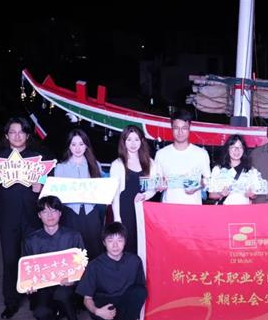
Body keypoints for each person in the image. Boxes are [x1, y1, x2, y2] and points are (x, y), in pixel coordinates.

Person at [0, 117, 42, 319]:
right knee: (10, 260)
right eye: (12, 132)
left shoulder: (37, 159)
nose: (17, 135)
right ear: (7, 136)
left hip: (33, 217)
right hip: (8, 219)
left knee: (33, 259)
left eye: (21, 132)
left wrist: (40, 188)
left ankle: (36, 299)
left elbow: (47, 188)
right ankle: (11, 302)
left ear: (27, 135)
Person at [23, 196, 85, 320]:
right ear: (39, 215)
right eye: (45, 212)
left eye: (54, 211)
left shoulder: (73, 236)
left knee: (62, 294)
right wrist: (28, 284)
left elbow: (82, 264)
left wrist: (73, 279)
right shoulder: (31, 240)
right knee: (40, 313)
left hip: (67, 285)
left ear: (60, 213)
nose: (50, 215)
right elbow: (26, 269)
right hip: (44, 286)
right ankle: (54, 316)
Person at [76, 222, 148, 320]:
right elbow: (87, 299)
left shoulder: (134, 261)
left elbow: (139, 290)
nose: (115, 245)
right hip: (103, 304)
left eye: (119, 240)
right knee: (103, 301)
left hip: (124, 305)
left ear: (125, 242)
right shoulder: (95, 265)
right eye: (110, 241)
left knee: (140, 291)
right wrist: (97, 311)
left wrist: (136, 317)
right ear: (104, 243)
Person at [54, 129, 104, 259]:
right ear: (69, 146)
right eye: (74, 144)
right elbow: (57, 195)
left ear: (86, 145)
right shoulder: (61, 168)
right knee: (72, 253)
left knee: (94, 250)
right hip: (70, 213)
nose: (77, 148)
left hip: (91, 213)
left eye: (81, 144)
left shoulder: (95, 165)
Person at [110, 125, 159, 254]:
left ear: (142, 141)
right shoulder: (117, 164)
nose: (133, 144)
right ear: (124, 141)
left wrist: (145, 196)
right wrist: (117, 219)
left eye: (136, 139)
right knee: (127, 246)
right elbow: (115, 195)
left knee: (143, 246)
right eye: (129, 139)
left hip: (143, 210)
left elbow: (153, 188)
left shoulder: (150, 163)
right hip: (125, 210)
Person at [155, 109, 211, 204]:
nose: (180, 132)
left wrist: (198, 186)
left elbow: (208, 180)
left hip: (193, 207)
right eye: (176, 128)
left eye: (184, 128)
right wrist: (158, 185)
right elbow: (156, 182)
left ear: (189, 128)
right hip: (168, 207)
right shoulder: (161, 154)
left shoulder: (201, 154)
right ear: (171, 128)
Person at [208, 135, 257, 205]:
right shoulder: (218, 169)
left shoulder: (250, 170)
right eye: (233, 147)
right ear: (228, 149)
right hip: (224, 208)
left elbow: (255, 195)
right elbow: (211, 195)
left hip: (243, 209)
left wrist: (251, 195)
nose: (237, 150)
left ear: (244, 149)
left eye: (240, 147)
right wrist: (221, 194)